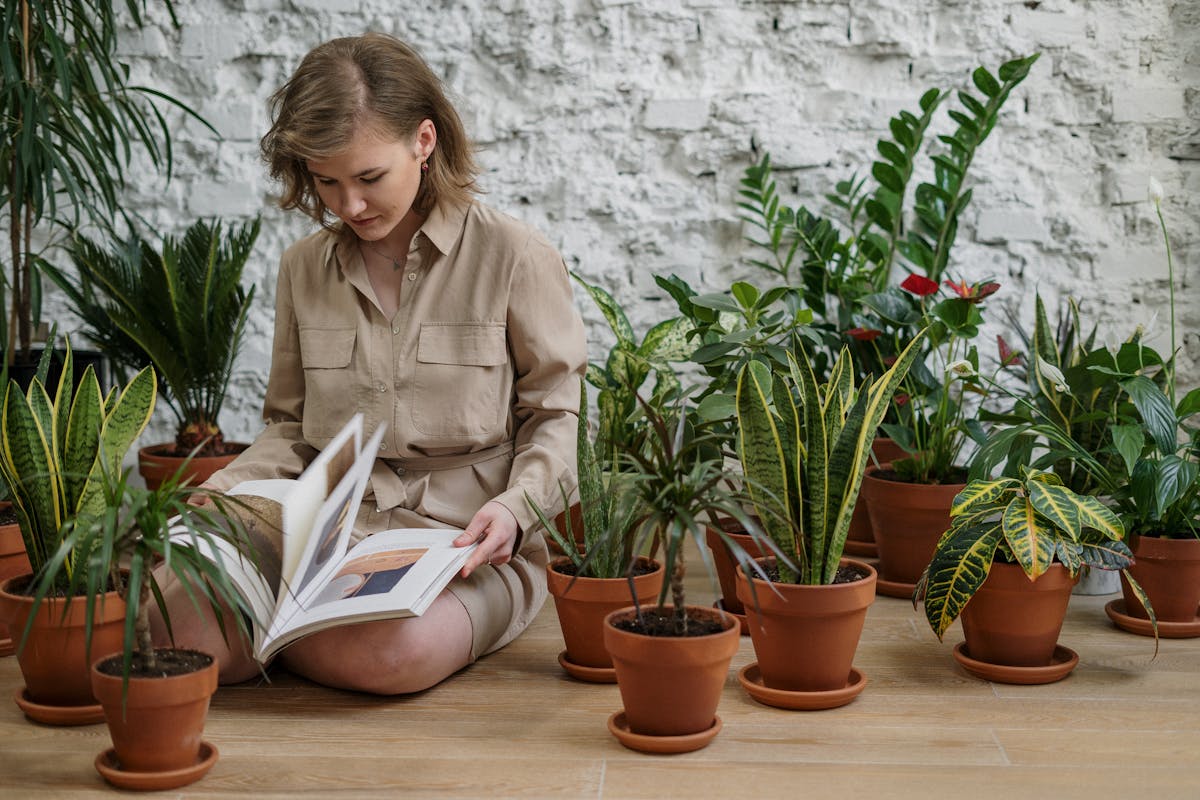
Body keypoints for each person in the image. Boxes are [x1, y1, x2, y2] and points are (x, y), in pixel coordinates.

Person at [152, 32, 586, 695]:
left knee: (389, 654)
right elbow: (289, 429)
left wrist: (516, 509)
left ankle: (267, 637)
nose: (348, 205)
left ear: (424, 140)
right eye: (326, 181)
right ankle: (286, 629)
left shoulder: (515, 255)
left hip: (466, 549)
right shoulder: (303, 268)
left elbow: (555, 413)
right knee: (165, 617)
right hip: (324, 534)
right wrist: (218, 496)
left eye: (368, 178)